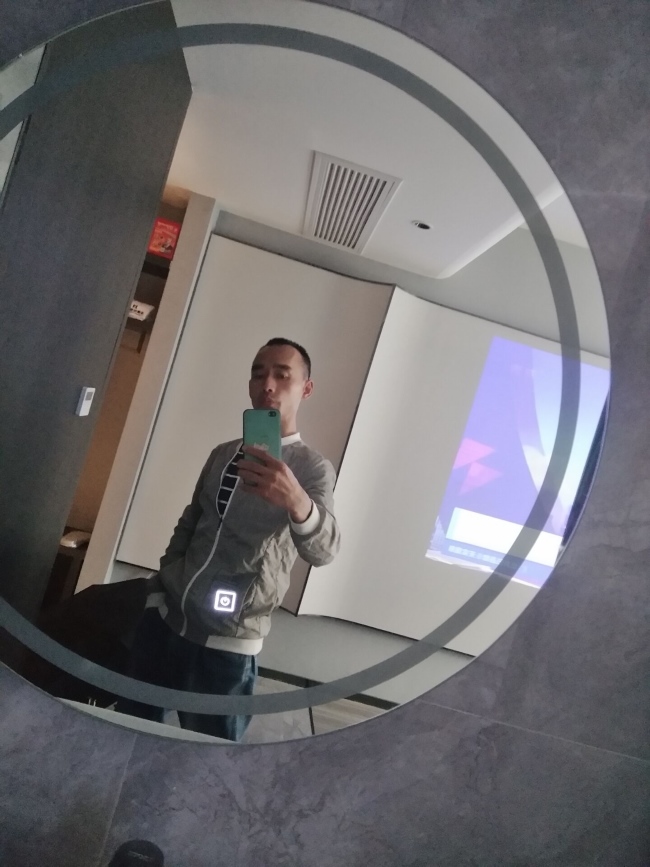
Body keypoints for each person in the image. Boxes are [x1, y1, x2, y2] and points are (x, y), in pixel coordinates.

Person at [116, 338, 340, 741]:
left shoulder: (311, 469)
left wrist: (297, 502)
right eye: (258, 374)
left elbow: (324, 551)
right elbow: (191, 521)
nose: (267, 384)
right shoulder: (223, 454)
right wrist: (162, 585)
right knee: (127, 734)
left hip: (228, 646)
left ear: (306, 388)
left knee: (208, 757)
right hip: (165, 623)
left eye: (282, 375)